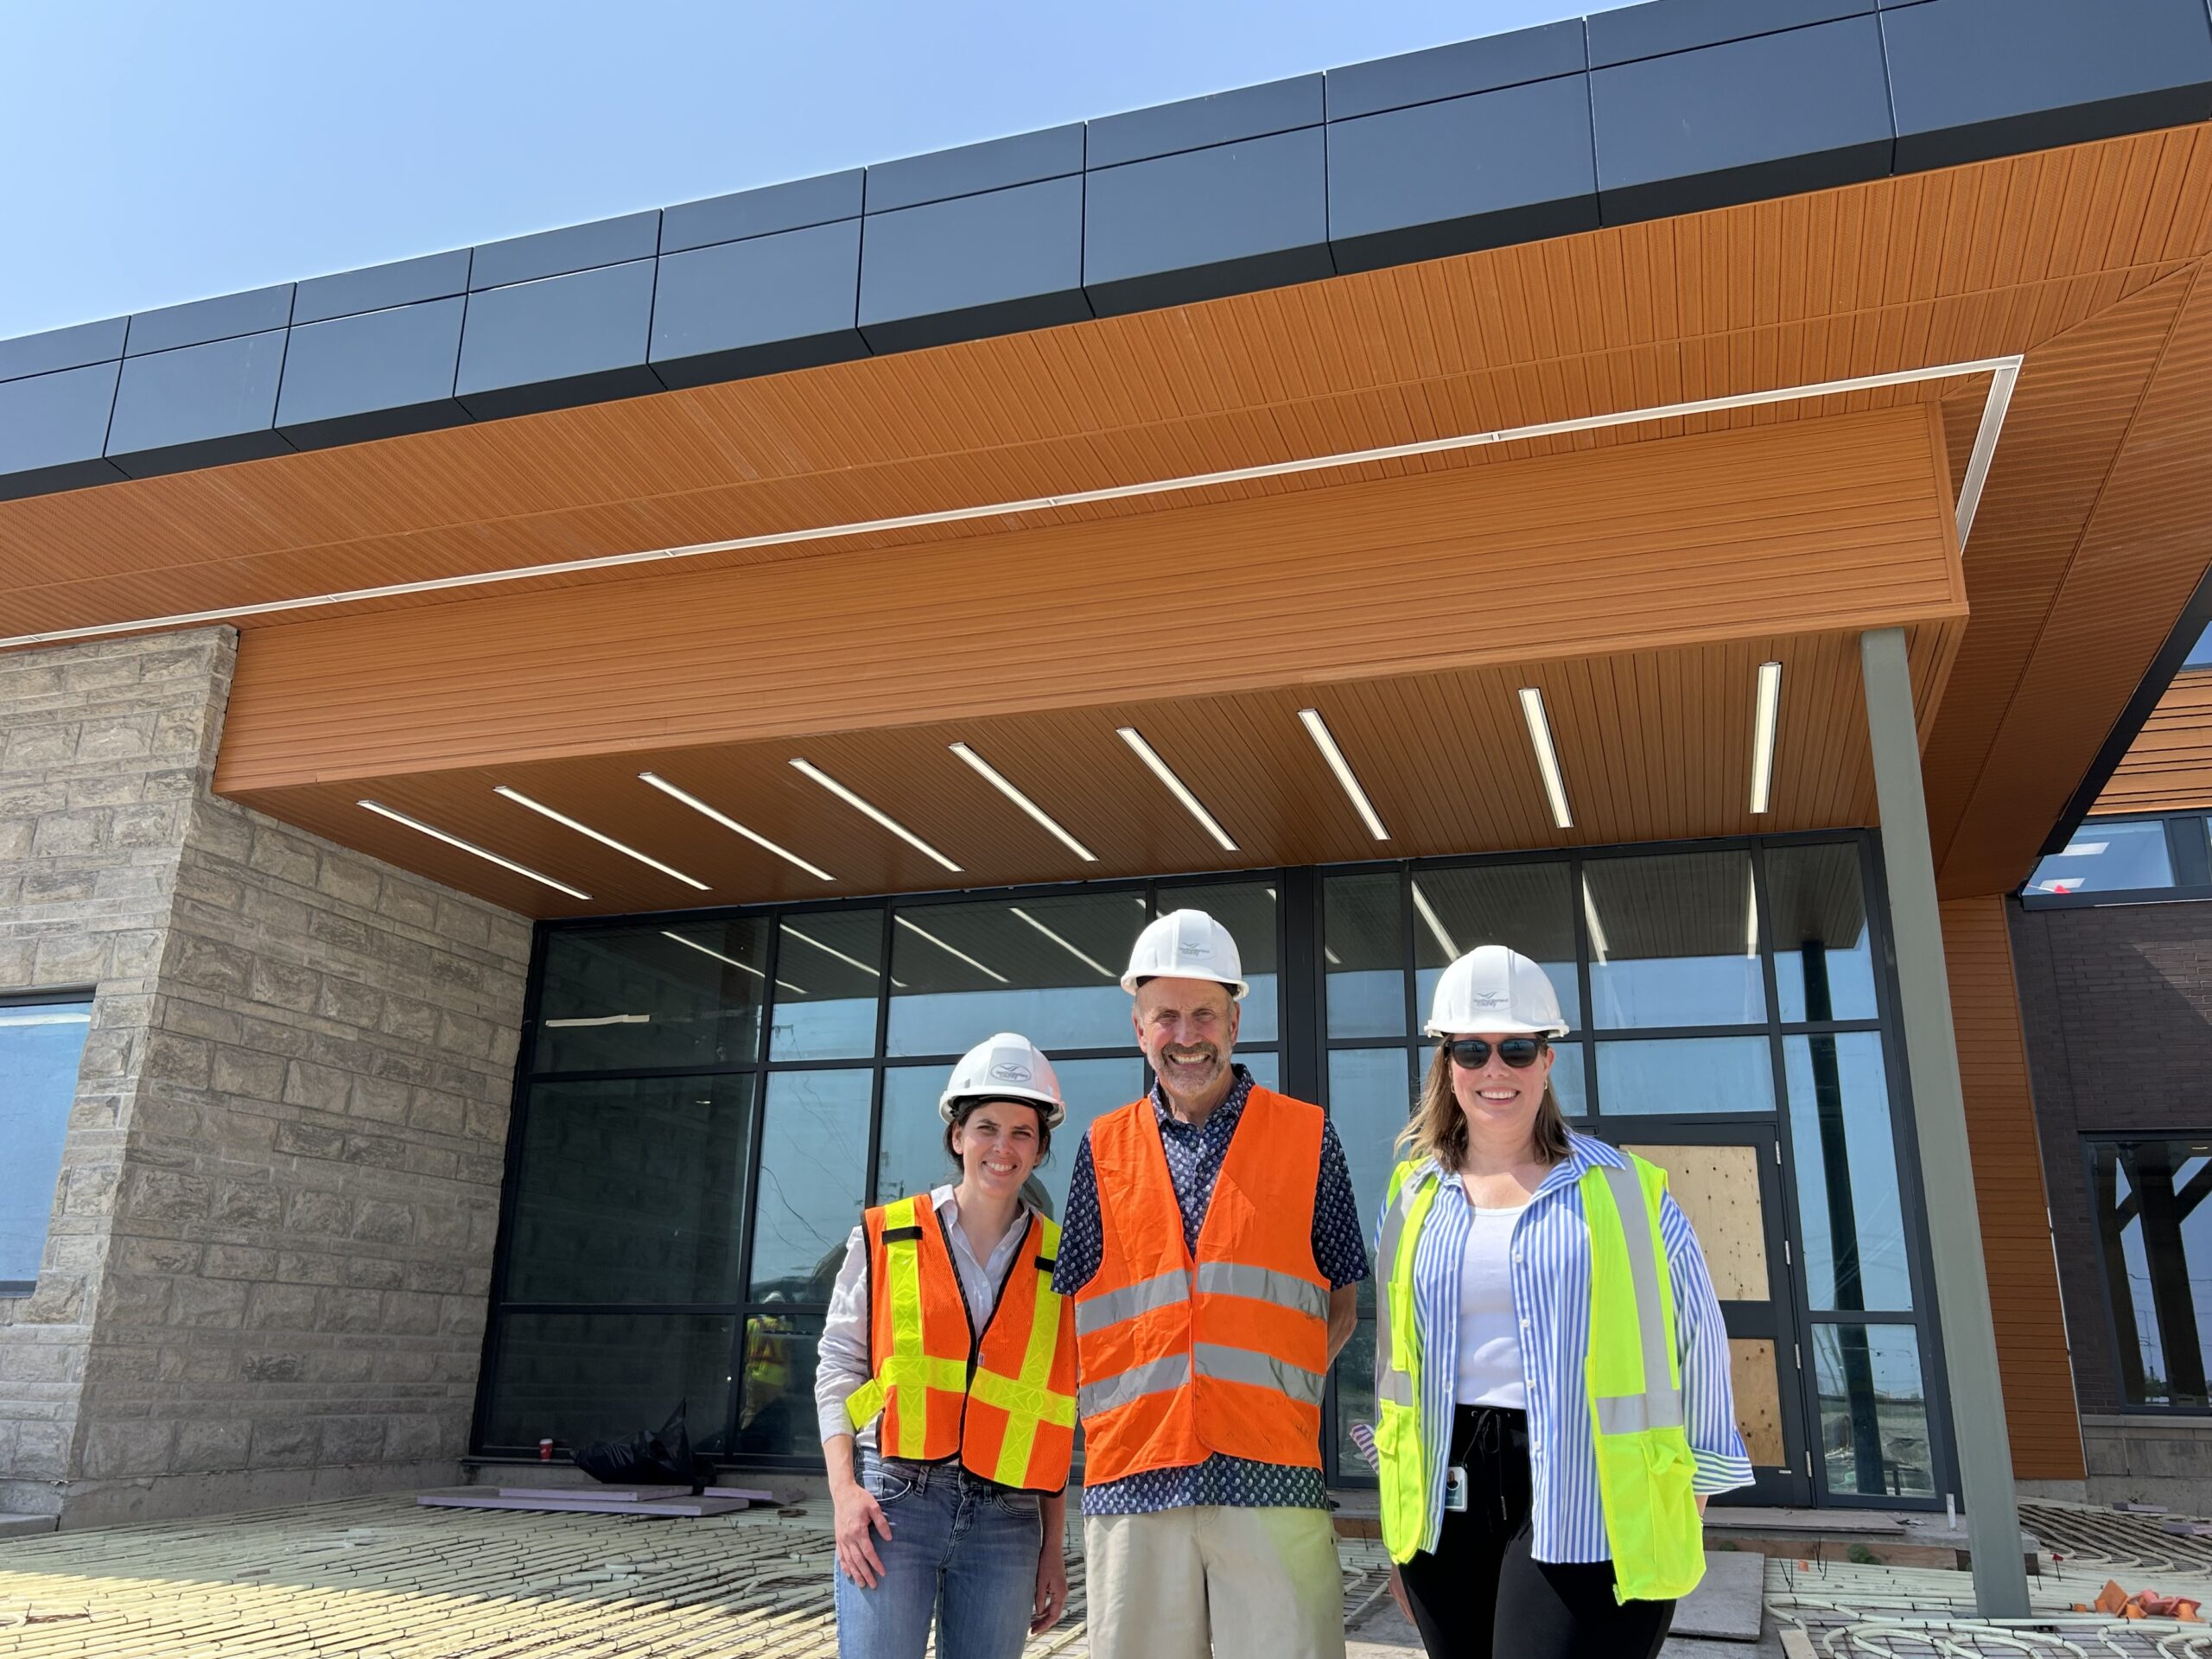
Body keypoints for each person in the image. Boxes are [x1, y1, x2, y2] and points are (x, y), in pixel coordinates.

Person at [1367, 945, 1752, 1659]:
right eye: (1472, 1050)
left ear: (1546, 1060)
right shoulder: (1412, 1198)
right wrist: (1403, 1528)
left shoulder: (1625, 1191)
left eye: (1516, 1049)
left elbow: (1697, 1339)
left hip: (1590, 1495)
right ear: (1447, 1065)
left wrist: (1692, 1493)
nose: (1495, 1069)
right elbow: (1395, 1364)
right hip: (1445, 1499)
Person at [1054, 908, 1369, 1659]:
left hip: (1273, 1475)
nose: (1186, 1034)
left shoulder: (1309, 1136)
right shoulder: (1101, 1148)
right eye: (1166, 1016)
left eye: (1204, 1014)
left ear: (1234, 1023)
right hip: (1135, 1479)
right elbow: (1077, 1315)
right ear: (1139, 1028)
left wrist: (1265, 1398)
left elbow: (1342, 1304)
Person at [816, 1033, 1077, 1659]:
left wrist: (1053, 1547)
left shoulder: (1062, 1260)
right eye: (986, 1128)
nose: (1003, 1147)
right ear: (957, 1136)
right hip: (893, 1500)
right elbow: (839, 1369)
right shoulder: (889, 1235)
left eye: (1022, 1133)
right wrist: (845, 1493)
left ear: (1040, 1148)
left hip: (1007, 1518)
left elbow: (1057, 1408)